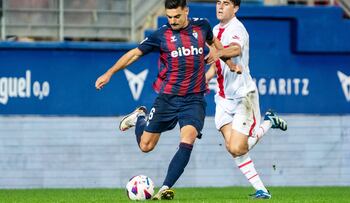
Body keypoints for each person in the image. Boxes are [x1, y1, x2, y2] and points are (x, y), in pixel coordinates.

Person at [95, 0, 231, 200]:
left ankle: (164, 188)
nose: (173, 21)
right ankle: (140, 117)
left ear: (186, 11)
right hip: (168, 98)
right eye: (169, 17)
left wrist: (228, 61)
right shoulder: (161, 35)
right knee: (146, 146)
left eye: (177, 16)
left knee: (188, 138)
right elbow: (134, 54)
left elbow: (216, 45)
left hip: (194, 99)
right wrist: (109, 73)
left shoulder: (202, 26)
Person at [205, 0, 288, 199]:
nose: (220, 6)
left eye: (226, 3)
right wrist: (205, 79)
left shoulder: (237, 28)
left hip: (243, 96)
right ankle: (262, 190)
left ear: (236, 8)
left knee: (237, 147)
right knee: (232, 148)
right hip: (223, 99)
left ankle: (268, 121)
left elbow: (235, 50)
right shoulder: (216, 29)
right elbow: (218, 63)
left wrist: (217, 52)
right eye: (218, 2)